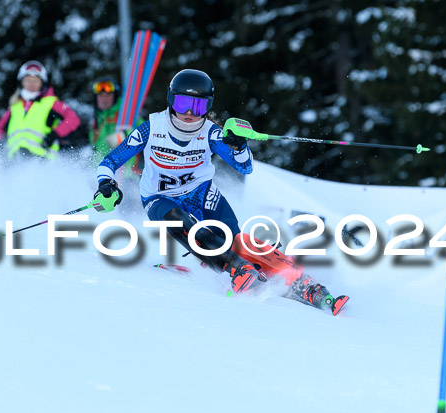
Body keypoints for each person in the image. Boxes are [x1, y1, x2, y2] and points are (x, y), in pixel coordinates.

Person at [92, 69, 341, 310]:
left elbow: (244, 167)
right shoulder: (151, 128)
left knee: (239, 242)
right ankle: (233, 267)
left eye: (198, 107)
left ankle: (305, 285)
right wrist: (106, 184)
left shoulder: (211, 132)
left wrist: (239, 146)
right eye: (182, 104)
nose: (189, 113)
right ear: (171, 101)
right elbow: (111, 161)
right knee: (176, 220)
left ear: (208, 107)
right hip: (159, 197)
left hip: (201, 194)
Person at [0, 60, 80, 160]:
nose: (31, 84)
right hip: (13, 161)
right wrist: (1, 143)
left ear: (42, 82)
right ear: (21, 82)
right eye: (28, 80)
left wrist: (55, 134)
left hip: (41, 160)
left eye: (35, 80)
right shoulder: (16, 105)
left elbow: (73, 119)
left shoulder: (51, 102)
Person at [89, 75, 143, 176]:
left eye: (108, 95)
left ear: (115, 96)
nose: (104, 99)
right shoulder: (97, 120)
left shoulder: (126, 113)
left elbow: (146, 131)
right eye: (101, 96)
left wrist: (121, 136)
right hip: (99, 177)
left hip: (126, 176)